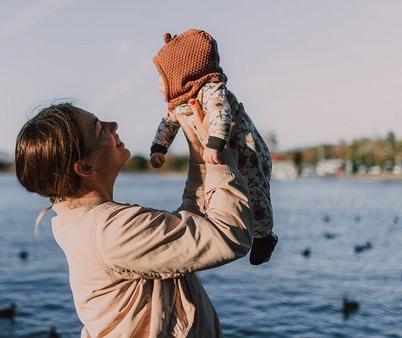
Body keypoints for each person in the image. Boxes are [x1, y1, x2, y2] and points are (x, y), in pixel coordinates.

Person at [15, 101, 254, 337]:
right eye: (100, 129)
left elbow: (193, 224)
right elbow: (230, 234)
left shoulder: (89, 223)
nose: (113, 125)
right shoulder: (109, 229)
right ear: (84, 167)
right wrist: (217, 156)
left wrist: (200, 151)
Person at [150, 29, 277, 264]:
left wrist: (214, 142)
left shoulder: (209, 89)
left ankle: (264, 235)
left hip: (247, 152)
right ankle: (215, 225)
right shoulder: (178, 101)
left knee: (256, 195)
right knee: (216, 194)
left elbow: (222, 111)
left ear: (183, 73)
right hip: (218, 156)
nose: (158, 83)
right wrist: (159, 147)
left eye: (163, 76)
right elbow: (168, 123)